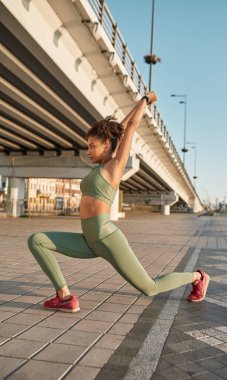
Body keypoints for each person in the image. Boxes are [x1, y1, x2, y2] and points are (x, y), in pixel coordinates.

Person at [28, 92, 210, 313]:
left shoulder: (114, 167)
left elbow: (130, 126)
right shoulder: (100, 165)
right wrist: (122, 120)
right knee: (36, 240)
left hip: (107, 238)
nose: (88, 151)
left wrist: (145, 101)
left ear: (106, 145)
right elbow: (118, 130)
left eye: (92, 146)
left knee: (150, 288)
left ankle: (198, 277)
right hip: (89, 240)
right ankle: (64, 297)